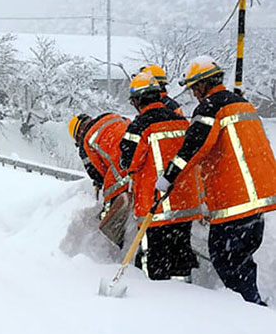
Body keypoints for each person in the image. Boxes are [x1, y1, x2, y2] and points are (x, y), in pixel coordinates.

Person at [155, 55, 276, 306]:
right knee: (241, 262)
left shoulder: (211, 107)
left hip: (234, 203)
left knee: (227, 262)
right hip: (257, 202)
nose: (194, 95)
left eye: (193, 89)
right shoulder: (243, 104)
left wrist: (168, 179)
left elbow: (193, 148)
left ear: (202, 85)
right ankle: (252, 307)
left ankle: (253, 313)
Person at [119, 72, 201, 281]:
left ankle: (155, 300)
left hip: (156, 206)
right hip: (185, 202)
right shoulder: (181, 121)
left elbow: (128, 162)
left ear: (137, 100)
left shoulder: (139, 126)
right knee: (180, 252)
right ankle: (186, 291)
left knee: (153, 259)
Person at [68, 113, 132, 248]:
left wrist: (99, 183)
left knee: (109, 198)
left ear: (78, 134)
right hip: (143, 157)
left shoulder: (86, 141)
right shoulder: (111, 117)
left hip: (121, 166)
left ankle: (117, 242)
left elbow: (97, 174)